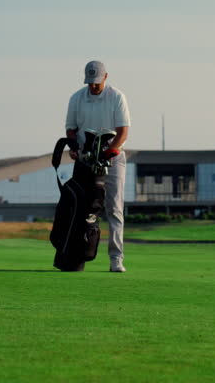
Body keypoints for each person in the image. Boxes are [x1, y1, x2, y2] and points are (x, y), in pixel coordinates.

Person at [64, 60, 130, 273]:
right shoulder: (77, 98)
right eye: (90, 82)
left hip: (113, 157)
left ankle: (116, 258)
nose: (93, 86)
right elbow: (71, 130)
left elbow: (122, 131)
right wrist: (74, 147)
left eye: (97, 82)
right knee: (83, 209)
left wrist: (112, 150)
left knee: (114, 208)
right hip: (86, 157)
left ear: (105, 77)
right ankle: (79, 255)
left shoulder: (116, 97)